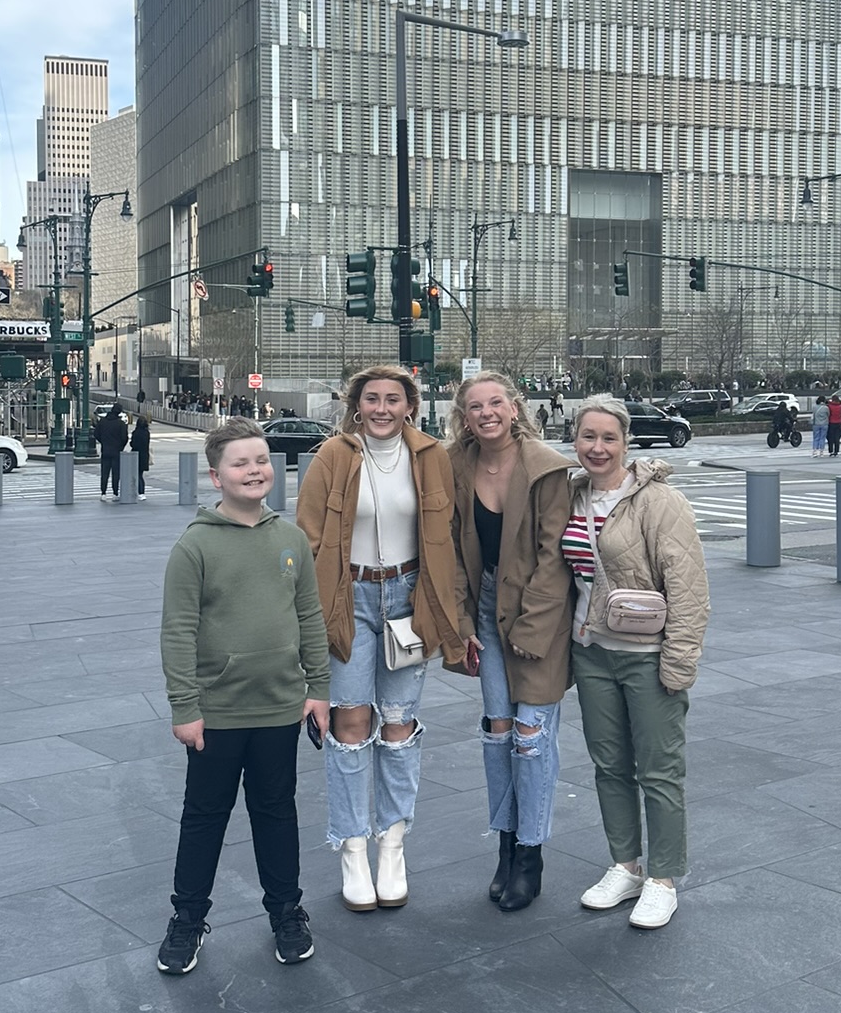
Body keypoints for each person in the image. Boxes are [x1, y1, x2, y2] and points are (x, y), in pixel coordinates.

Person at [156, 421, 331, 976]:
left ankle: (286, 912)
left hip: (279, 706)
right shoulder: (195, 546)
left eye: (261, 460)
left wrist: (318, 688)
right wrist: (185, 707)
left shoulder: (290, 539)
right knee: (204, 817)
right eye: (240, 463)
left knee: (276, 813)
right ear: (216, 476)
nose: (254, 470)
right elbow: (177, 631)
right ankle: (187, 918)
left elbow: (309, 616)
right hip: (218, 713)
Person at [296, 365, 462, 910]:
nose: (382, 408)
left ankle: (392, 845)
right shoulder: (333, 456)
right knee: (349, 724)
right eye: (372, 399)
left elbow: (448, 535)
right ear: (357, 405)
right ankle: (352, 848)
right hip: (349, 596)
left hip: (409, 599)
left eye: (393, 399)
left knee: (398, 723)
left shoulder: (432, 457)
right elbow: (308, 537)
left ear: (410, 405)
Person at [562, 396, 710, 931]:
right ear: (575, 439)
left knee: (659, 770)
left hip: (646, 657)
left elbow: (689, 587)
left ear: (626, 442)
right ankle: (626, 865)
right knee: (609, 766)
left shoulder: (659, 501)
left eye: (609, 438)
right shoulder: (570, 493)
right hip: (590, 652)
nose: (598, 448)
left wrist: (679, 662)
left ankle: (663, 878)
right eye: (588, 436)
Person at [446, 372, 574, 912]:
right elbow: (453, 551)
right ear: (464, 417)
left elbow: (555, 557)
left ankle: (530, 855)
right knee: (498, 733)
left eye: (496, 402)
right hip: (485, 606)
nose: (487, 413)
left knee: (530, 736)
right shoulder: (455, 465)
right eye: (475, 406)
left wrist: (531, 627)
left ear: (515, 408)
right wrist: (461, 624)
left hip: (539, 611)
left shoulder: (546, 467)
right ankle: (505, 845)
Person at [94, 405, 128, 497]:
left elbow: (96, 434)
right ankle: (115, 492)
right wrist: (120, 446)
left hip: (105, 450)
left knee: (104, 472)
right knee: (116, 473)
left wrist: (103, 442)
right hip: (116, 451)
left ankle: (103, 492)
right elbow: (124, 438)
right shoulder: (121, 424)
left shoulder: (102, 422)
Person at [130, 410, 152, 495]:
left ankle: (139, 491)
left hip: (136, 455)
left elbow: (133, 444)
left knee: (137, 474)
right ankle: (142, 492)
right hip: (144, 456)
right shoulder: (147, 433)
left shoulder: (136, 433)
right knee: (140, 474)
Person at [826, 393, 841, 458]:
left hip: (831, 422)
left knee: (830, 437)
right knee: (837, 438)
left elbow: (829, 414)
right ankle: (836, 451)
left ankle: (831, 450)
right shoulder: (840, 406)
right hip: (838, 422)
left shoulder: (830, 406)